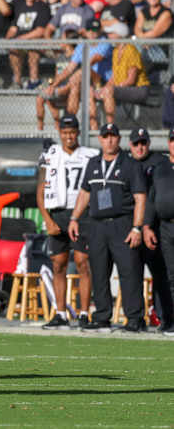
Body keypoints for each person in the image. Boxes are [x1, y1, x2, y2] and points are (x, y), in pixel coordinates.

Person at [68, 123, 147, 332]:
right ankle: (102, 315)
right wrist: (74, 218)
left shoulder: (130, 164)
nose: (109, 140)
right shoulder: (93, 163)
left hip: (122, 224)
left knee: (129, 272)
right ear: (100, 140)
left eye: (113, 136)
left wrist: (137, 227)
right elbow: (85, 193)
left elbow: (140, 198)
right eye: (105, 137)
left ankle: (134, 318)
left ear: (119, 139)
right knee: (100, 271)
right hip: (97, 225)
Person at [38, 115, 99, 330]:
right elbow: (41, 189)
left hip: (82, 213)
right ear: (60, 133)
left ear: (78, 132)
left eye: (72, 132)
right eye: (65, 132)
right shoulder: (50, 154)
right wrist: (47, 219)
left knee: (83, 262)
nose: (69, 136)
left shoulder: (90, 156)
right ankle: (61, 313)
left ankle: (84, 313)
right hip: (58, 212)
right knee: (58, 264)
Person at [128, 128, 172, 331]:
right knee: (132, 273)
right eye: (136, 143)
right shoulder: (126, 163)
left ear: (149, 143)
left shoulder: (160, 163)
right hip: (132, 227)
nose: (140, 147)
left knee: (161, 274)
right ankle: (136, 318)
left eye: (143, 143)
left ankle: (164, 318)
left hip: (155, 228)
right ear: (130, 145)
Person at [143, 127, 174, 336]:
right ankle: (170, 320)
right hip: (165, 226)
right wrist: (146, 226)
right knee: (170, 276)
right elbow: (152, 198)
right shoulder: (161, 167)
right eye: (173, 140)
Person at [94, 21, 149, 124]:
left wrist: (112, 88)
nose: (108, 36)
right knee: (94, 93)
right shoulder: (115, 51)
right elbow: (114, 77)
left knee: (108, 91)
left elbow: (131, 80)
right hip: (122, 88)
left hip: (138, 89)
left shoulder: (130, 50)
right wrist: (104, 88)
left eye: (111, 34)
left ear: (120, 35)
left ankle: (110, 127)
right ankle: (94, 127)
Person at [6, 0, 51, 89]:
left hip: (35, 42)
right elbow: (13, 28)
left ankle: (34, 81)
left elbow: (40, 31)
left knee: (33, 49)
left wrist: (20, 39)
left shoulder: (43, 7)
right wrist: (7, 39)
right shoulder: (19, 7)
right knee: (13, 49)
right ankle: (17, 81)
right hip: (19, 43)